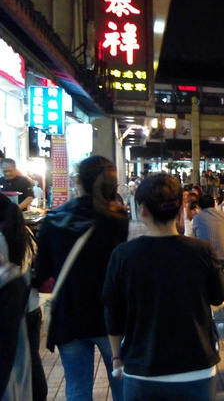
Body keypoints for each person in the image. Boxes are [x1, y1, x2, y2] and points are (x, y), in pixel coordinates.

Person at [103, 174, 224, 401]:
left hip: (141, 368)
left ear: (142, 211)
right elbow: (218, 296)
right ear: (180, 209)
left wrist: (117, 358)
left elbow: (112, 312)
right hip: (197, 366)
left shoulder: (123, 255)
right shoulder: (202, 250)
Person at [33, 156, 128, 401]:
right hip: (109, 315)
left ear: (77, 181)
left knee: (77, 387)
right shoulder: (118, 220)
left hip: (69, 314)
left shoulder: (54, 219)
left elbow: (41, 272)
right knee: (122, 384)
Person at [0, 194, 34, 400]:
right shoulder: (23, 233)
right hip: (27, 307)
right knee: (24, 369)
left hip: (12, 309)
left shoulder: (2, 241)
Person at [192, 195, 224, 266]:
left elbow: (195, 236)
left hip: (206, 259)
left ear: (199, 207)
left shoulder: (196, 218)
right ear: (214, 204)